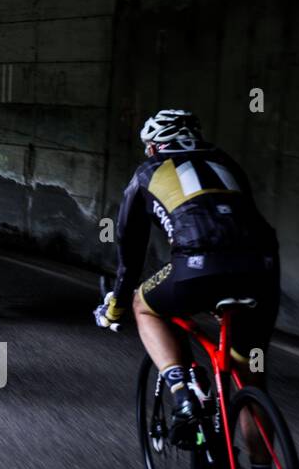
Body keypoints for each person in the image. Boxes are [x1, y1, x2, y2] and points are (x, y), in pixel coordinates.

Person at [94, 110, 280, 450]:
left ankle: (181, 392)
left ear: (153, 146)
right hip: (262, 268)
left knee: (144, 305)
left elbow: (129, 257)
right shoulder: (227, 163)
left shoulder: (145, 173)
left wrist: (115, 309)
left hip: (197, 265)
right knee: (249, 376)